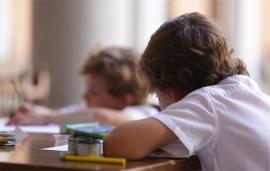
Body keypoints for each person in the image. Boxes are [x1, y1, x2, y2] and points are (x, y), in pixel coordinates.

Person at [103, 12, 270, 171]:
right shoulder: (246, 90)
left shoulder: (207, 103)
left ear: (171, 91)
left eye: (156, 94)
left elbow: (117, 144)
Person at [8, 47, 158, 126]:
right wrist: (37, 113)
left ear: (123, 100)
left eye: (94, 91)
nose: (85, 96)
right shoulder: (87, 107)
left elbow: (102, 118)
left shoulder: (143, 114)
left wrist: (48, 117)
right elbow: (64, 114)